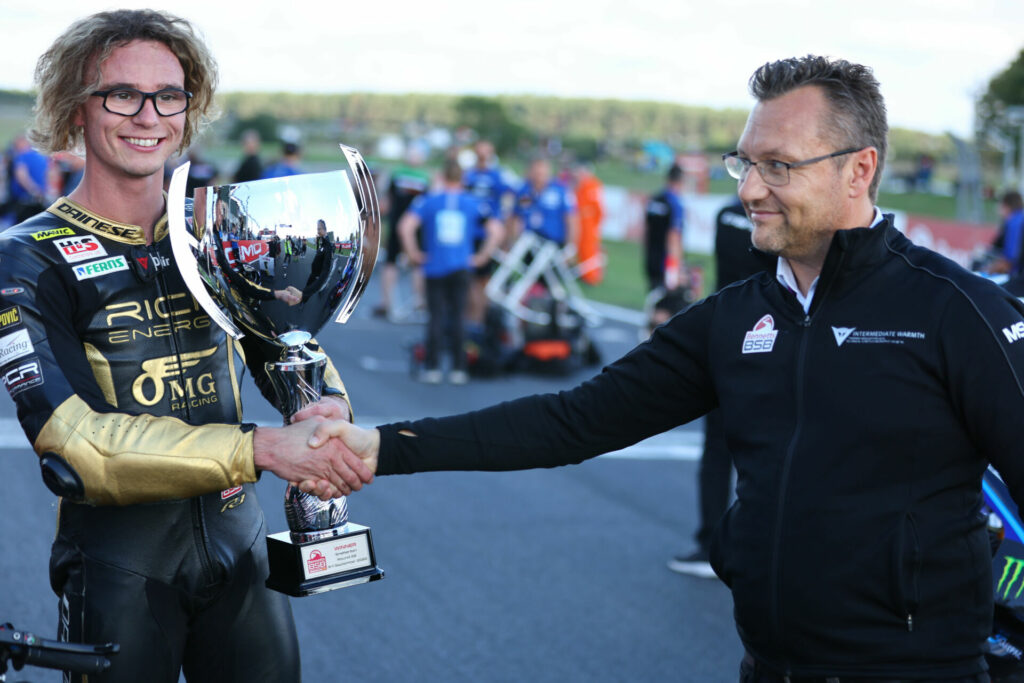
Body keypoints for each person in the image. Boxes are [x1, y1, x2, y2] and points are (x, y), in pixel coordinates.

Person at [305, 55, 1024, 681]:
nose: (748, 190)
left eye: (779, 165)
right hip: (769, 665)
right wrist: (383, 445)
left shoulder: (955, 309)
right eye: (745, 163)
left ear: (858, 169)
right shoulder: (736, 315)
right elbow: (572, 421)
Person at [0, 10, 370, 682]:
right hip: (121, 568)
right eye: (122, 93)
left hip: (243, 553)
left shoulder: (214, 229)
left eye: (169, 95)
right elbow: (76, 445)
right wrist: (259, 447)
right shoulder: (24, 258)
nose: (149, 115)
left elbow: (283, 346)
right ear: (75, 109)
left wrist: (326, 410)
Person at [667, 198, 776, 578]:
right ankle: (764, 546)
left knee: (718, 448)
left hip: (730, 335)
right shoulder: (780, 215)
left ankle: (710, 542)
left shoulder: (724, 213)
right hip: (774, 339)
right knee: (774, 450)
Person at [398, 159, 502, 384]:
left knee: (435, 316)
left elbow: (405, 226)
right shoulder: (473, 202)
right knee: (458, 316)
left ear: (443, 176)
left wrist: (414, 252)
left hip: (435, 265)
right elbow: (495, 230)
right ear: (462, 179)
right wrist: (483, 255)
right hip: (460, 266)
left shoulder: (429, 200)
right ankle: (458, 368)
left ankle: (432, 367)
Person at [373, 146, 430, 319]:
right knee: (408, 263)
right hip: (412, 227)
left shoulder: (408, 175)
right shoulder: (421, 177)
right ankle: (410, 302)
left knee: (407, 263)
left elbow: (386, 202)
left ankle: (398, 302)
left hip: (405, 225)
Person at [462, 139, 512, 325]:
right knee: (467, 279)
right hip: (468, 233)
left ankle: (479, 320)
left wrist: (504, 234)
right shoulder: (468, 175)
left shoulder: (498, 176)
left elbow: (508, 202)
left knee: (482, 281)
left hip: (487, 235)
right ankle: (468, 318)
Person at [510, 156, 578, 249]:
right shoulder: (524, 191)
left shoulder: (560, 191)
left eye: (542, 172)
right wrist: (513, 240)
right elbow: (516, 217)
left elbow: (571, 219)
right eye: (536, 171)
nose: (539, 175)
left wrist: (570, 246)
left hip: (552, 243)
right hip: (527, 241)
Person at [643, 163, 686, 293]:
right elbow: (673, 237)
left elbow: (646, 229)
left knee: (653, 297)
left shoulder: (654, 199)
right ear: (681, 181)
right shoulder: (675, 203)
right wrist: (675, 268)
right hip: (665, 263)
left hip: (650, 257)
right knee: (666, 304)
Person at [571, 162, 605, 285]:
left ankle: (590, 277)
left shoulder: (592, 185)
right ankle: (580, 273)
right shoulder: (578, 185)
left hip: (588, 225)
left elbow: (597, 209)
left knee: (588, 250)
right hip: (579, 223)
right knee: (577, 249)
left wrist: (594, 225)